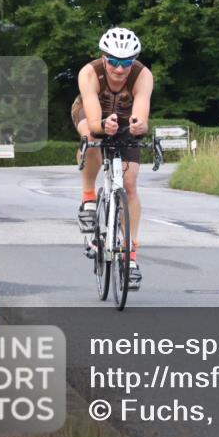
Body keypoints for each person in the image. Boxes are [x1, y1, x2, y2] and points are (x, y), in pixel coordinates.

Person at [70, 27, 154, 289]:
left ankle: (130, 258)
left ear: (134, 61)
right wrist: (101, 125)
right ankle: (88, 199)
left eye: (126, 62)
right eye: (114, 62)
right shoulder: (89, 73)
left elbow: (141, 115)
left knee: (129, 184)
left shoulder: (142, 75)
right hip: (91, 113)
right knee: (91, 137)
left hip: (124, 118)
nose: (119, 69)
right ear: (103, 58)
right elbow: (94, 119)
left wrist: (139, 126)